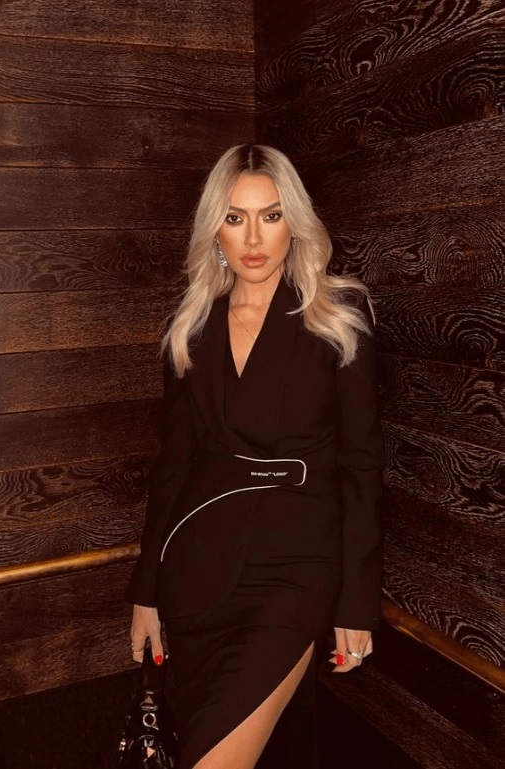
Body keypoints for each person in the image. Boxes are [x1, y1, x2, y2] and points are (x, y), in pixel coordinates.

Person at [126, 144, 384, 769]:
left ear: (294, 221)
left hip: (296, 569)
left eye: (270, 216)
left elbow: (362, 465)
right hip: (199, 567)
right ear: (213, 228)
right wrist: (147, 591)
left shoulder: (337, 316)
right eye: (234, 217)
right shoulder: (191, 325)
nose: (252, 238)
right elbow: (173, 468)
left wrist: (357, 601)